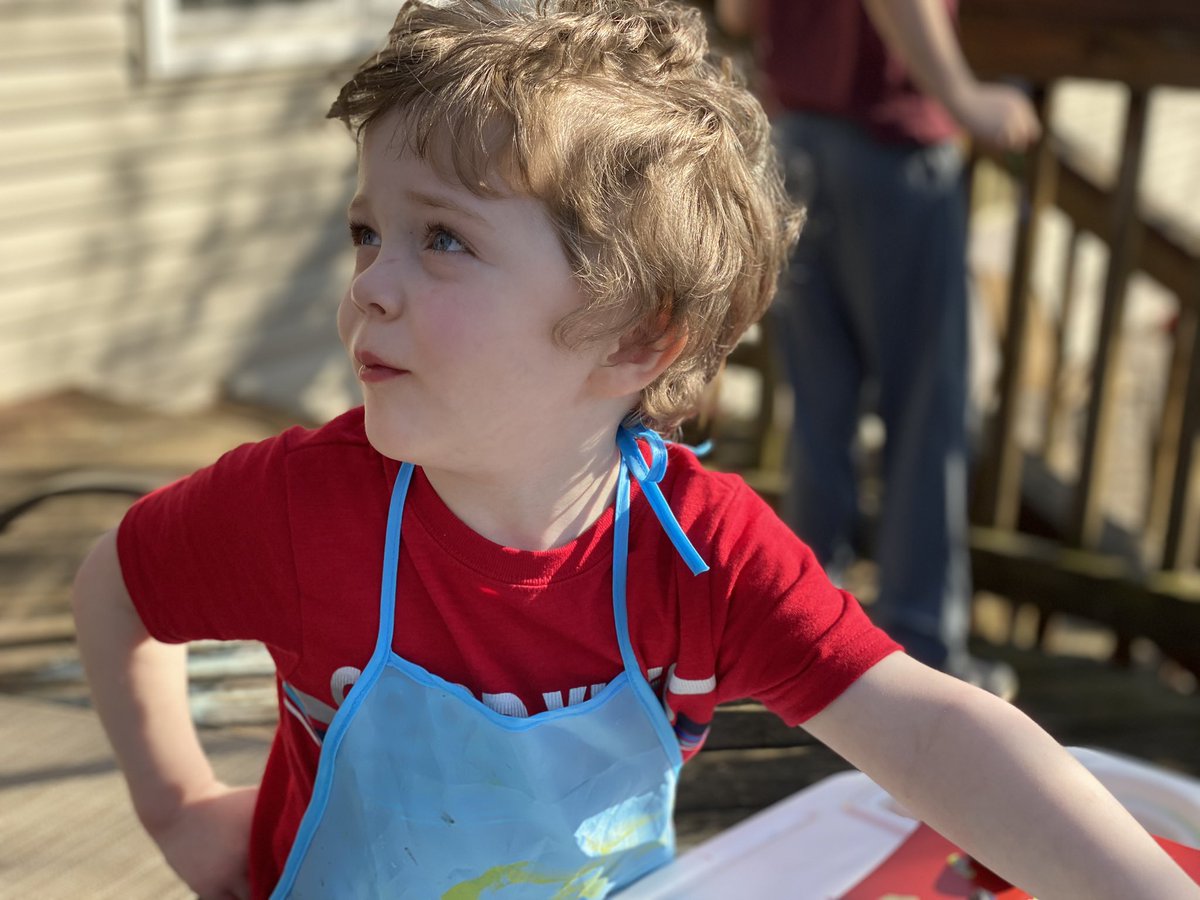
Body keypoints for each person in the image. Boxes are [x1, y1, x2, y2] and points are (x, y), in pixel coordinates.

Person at [71, 2, 1197, 899]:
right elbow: (116, 583)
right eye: (370, 232)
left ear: (636, 337)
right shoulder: (297, 508)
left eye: (442, 239)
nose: (370, 283)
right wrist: (176, 804)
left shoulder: (699, 552)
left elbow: (927, 727)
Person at [714, 0, 1041, 696]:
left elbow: (738, 14)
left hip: (794, 138)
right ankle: (923, 648)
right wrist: (963, 97)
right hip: (889, 145)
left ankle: (797, 638)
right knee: (928, 407)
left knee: (819, 409)